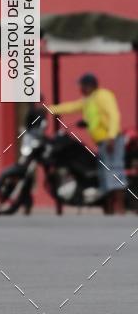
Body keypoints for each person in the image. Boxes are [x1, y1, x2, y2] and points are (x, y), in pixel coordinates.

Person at [48, 73, 126, 214]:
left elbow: (114, 115)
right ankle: (109, 209)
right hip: (102, 142)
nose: (80, 89)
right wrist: (49, 109)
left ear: (89, 86)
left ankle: (120, 208)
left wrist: (111, 136)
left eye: (82, 86)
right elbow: (71, 107)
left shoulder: (103, 96)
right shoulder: (90, 100)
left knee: (114, 171)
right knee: (103, 174)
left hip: (111, 140)